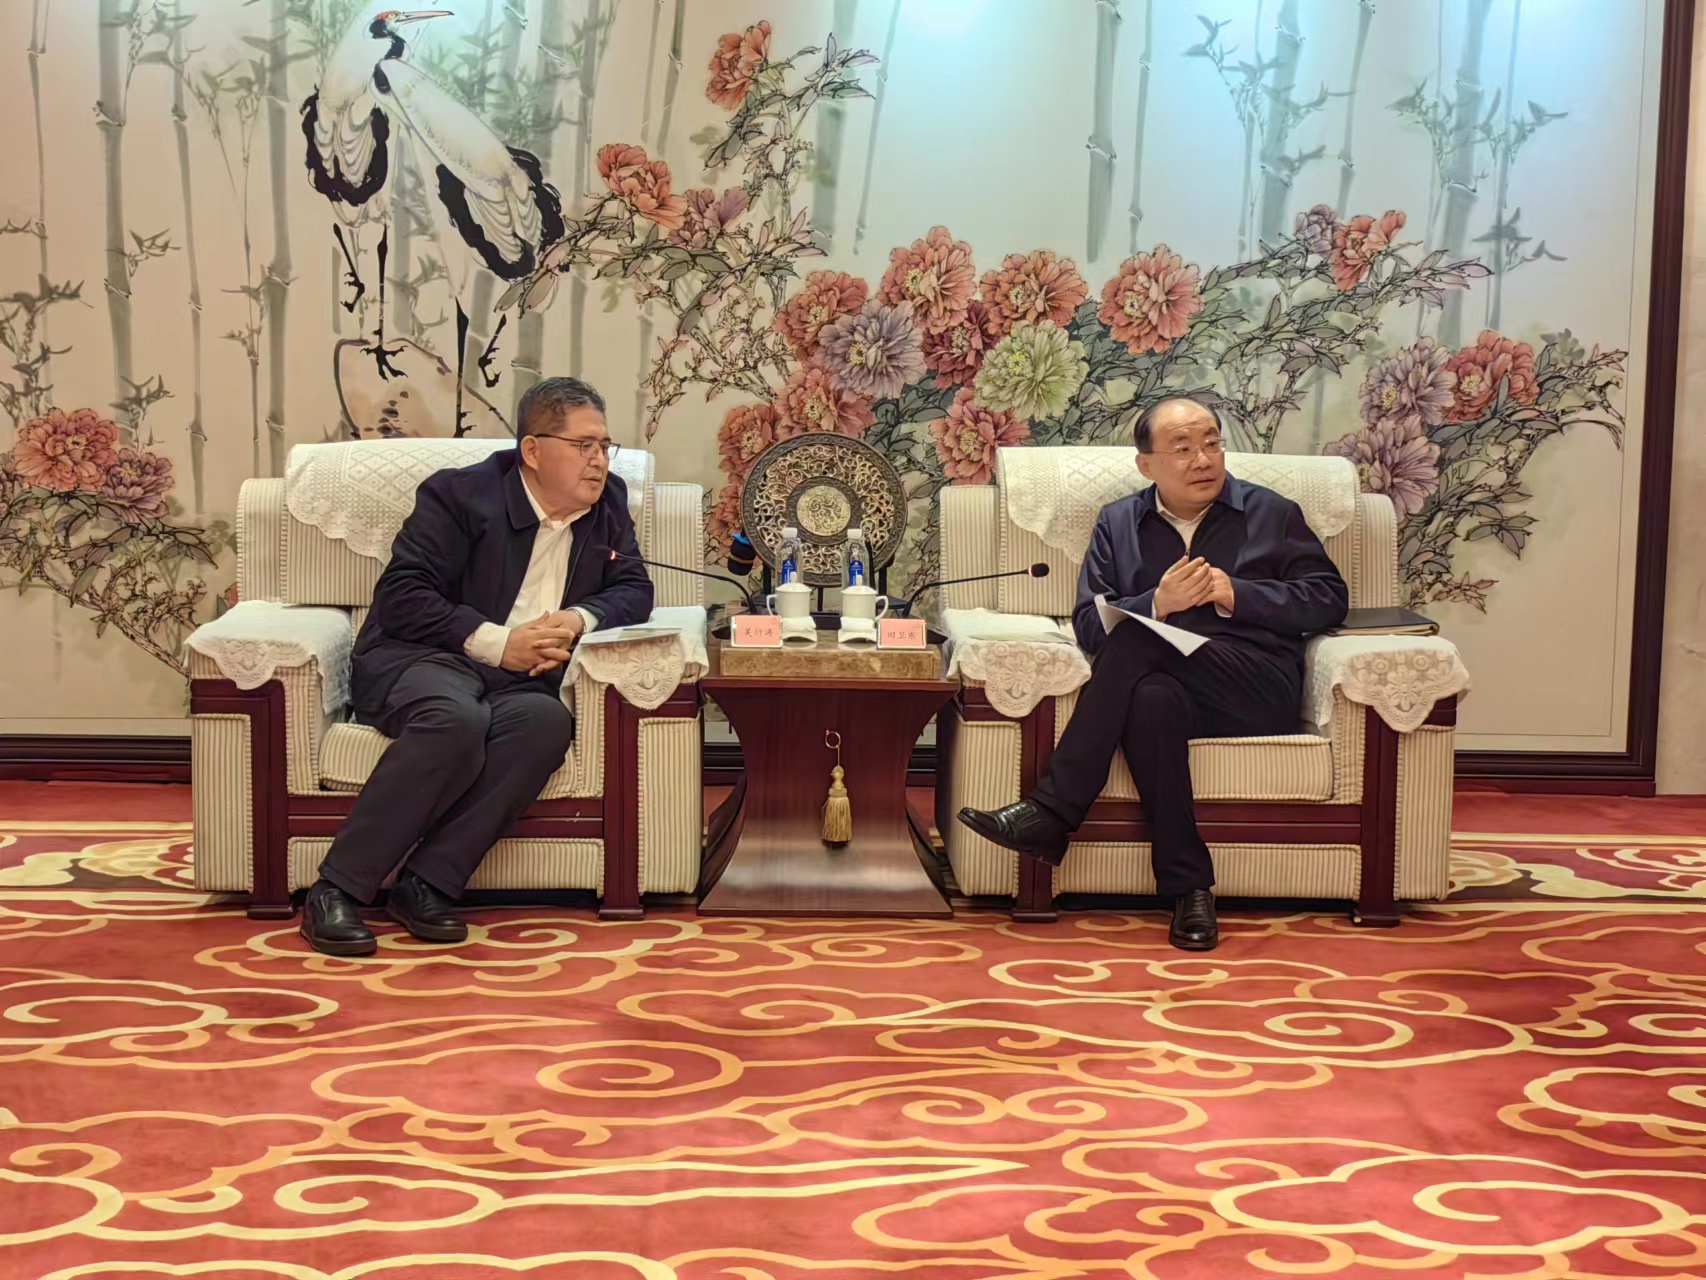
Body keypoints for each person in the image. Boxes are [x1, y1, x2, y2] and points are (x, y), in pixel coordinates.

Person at [957, 396, 1348, 951]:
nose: (1203, 459)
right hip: (1172, 694)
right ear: (1147, 464)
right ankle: (1190, 890)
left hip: (1255, 687)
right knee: (1150, 699)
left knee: (1136, 636)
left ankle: (1053, 810)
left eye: (1211, 443)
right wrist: (1158, 604)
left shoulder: (1272, 513)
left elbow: (1329, 600)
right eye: (1182, 448)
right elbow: (1090, 626)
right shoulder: (1119, 522)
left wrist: (1235, 593)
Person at [301, 377, 654, 956]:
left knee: (544, 724)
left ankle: (427, 882)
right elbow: (404, 597)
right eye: (584, 445)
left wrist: (575, 620)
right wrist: (498, 642)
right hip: (423, 656)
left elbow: (634, 588)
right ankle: (336, 888)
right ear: (533, 450)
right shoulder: (460, 495)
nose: (599, 461)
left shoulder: (606, 501)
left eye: (604, 446)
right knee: (455, 721)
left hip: (518, 677)